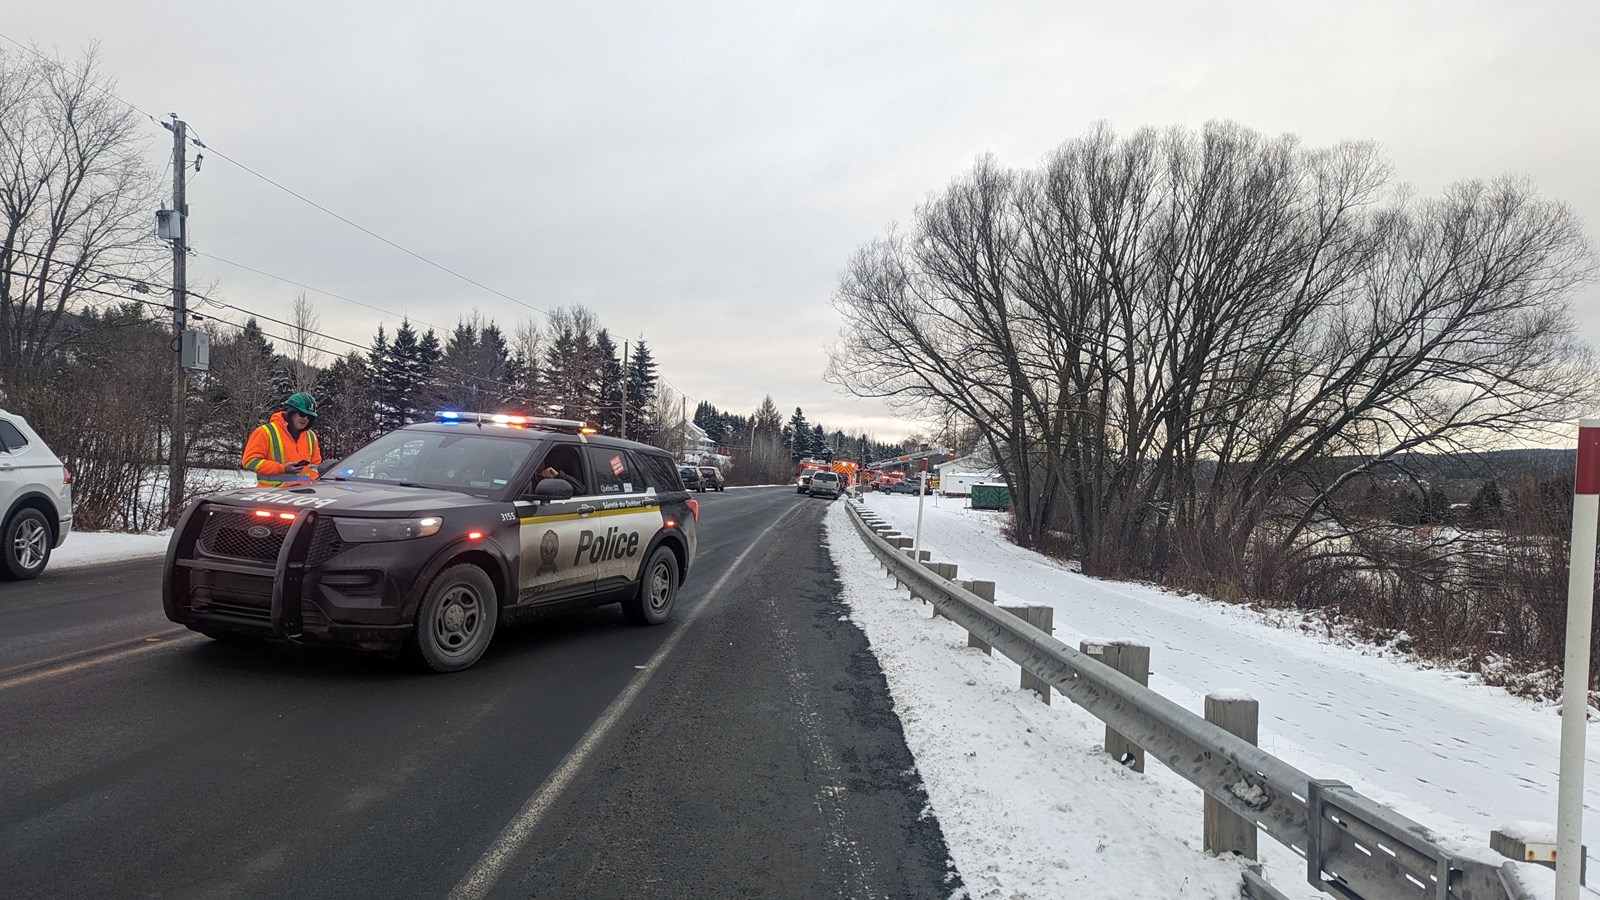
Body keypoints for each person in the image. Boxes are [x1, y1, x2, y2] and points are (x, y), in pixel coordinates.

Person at [242, 392, 324, 488]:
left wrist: (312, 483)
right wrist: (282, 468)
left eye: (310, 417)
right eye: (302, 414)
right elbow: (249, 461)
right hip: (270, 496)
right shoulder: (265, 432)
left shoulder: (311, 436)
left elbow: (315, 464)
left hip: (302, 496)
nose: (305, 419)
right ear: (291, 412)